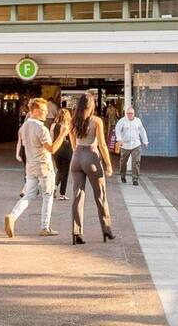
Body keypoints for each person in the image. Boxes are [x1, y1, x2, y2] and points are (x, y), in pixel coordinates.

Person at [4, 98, 69, 238]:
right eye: (44, 111)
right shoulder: (41, 128)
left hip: (30, 166)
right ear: (35, 111)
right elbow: (51, 149)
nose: (47, 114)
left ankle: (12, 216)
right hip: (44, 166)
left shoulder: (24, 127)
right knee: (47, 196)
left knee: (29, 195)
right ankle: (45, 227)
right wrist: (63, 134)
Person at [69, 94, 115, 244]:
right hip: (91, 157)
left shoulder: (73, 120)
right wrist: (108, 164)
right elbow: (102, 144)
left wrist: (78, 153)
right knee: (100, 195)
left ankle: (77, 233)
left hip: (76, 158)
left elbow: (73, 143)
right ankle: (106, 230)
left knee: (77, 196)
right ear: (92, 105)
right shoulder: (96, 121)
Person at [115, 106, 149, 183]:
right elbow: (117, 130)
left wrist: (145, 141)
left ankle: (135, 179)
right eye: (128, 113)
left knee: (136, 162)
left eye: (131, 113)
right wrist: (119, 139)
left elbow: (142, 131)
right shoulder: (122, 121)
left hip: (136, 145)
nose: (130, 115)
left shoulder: (138, 121)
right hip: (125, 145)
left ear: (134, 114)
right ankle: (123, 176)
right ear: (126, 114)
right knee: (123, 162)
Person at [52, 108, 73, 200]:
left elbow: (51, 137)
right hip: (67, 150)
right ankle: (62, 193)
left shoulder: (53, 125)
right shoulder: (69, 126)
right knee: (65, 172)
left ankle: (54, 187)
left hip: (56, 150)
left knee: (59, 170)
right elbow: (73, 140)